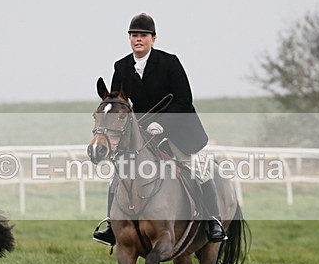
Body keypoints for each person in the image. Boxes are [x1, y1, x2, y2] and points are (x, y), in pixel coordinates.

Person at [92, 13, 226, 245]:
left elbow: (184, 100)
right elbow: (117, 104)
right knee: (119, 175)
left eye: (143, 35)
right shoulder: (121, 66)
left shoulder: (169, 62)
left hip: (177, 131)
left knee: (199, 169)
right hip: (140, 134)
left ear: (153, 38)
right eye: (134, 35)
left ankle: (213, 220)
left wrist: (162, 124)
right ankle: (112, 225)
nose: (138, 39)